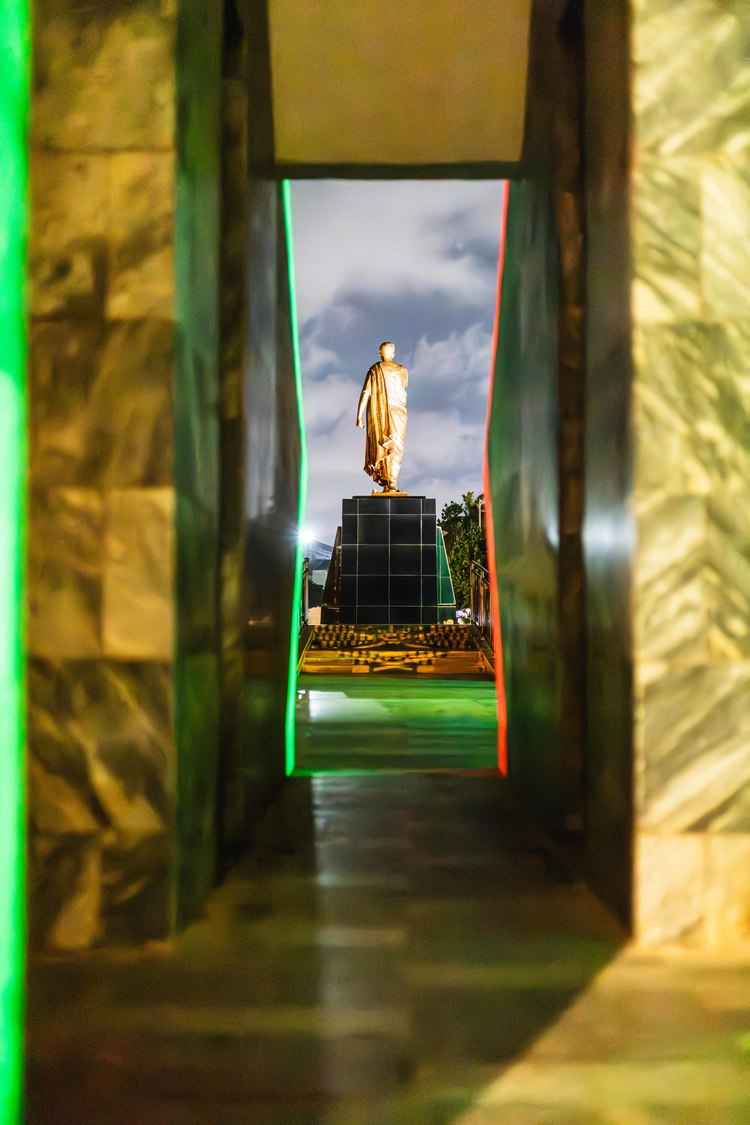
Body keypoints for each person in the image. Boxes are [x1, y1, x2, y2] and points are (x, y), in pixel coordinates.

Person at [356, 341, 408, 493]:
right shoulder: (401, 370)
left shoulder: (375, 370)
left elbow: (366, 393)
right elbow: (403, 386)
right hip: (396, 413)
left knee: (387, 445)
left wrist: (359, 416)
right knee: (396, 446)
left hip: (385, 415)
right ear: (393, 353)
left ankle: (390, 482)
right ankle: (390, 482)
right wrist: (358, 416)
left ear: (381, 354)